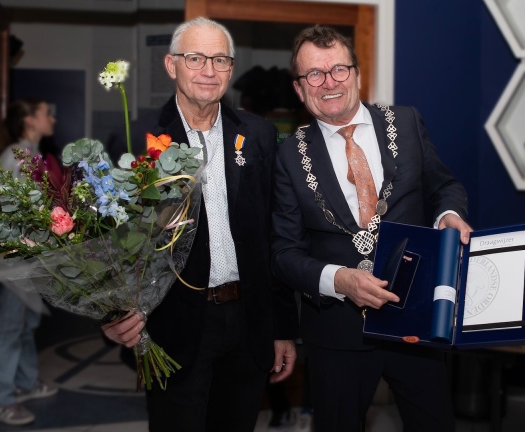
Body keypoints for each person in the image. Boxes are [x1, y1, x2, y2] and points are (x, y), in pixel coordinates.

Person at [271, 25, 473, 432]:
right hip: (336, 333)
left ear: (358, 75)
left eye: (339, 70)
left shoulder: (407, 122)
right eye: (314, 74)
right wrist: (339, 280)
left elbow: (445, 187)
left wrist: (446, 215)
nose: (328, 83)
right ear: (299, 89)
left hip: (416, 317)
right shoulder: (289, 156)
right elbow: (283, 253)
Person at [101, 17, 298, 432]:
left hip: (248, 324)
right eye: (196, 58)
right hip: (175, 327)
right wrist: (112, 314)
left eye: (220, 59)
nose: (209, 71)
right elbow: (106, 240)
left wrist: (282, 328)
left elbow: (271, 238)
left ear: (231, 68)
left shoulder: (259, 135)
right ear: (171, 65)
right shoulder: (138, 138)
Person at [0, 99, 61, 426]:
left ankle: (25, 383)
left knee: (26, 323)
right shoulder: (15, 156)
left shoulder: (32, 155)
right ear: (30, 120)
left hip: (29, 258)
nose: (52, 119)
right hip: (15, 258)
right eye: (46, 113)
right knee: (9, 327)